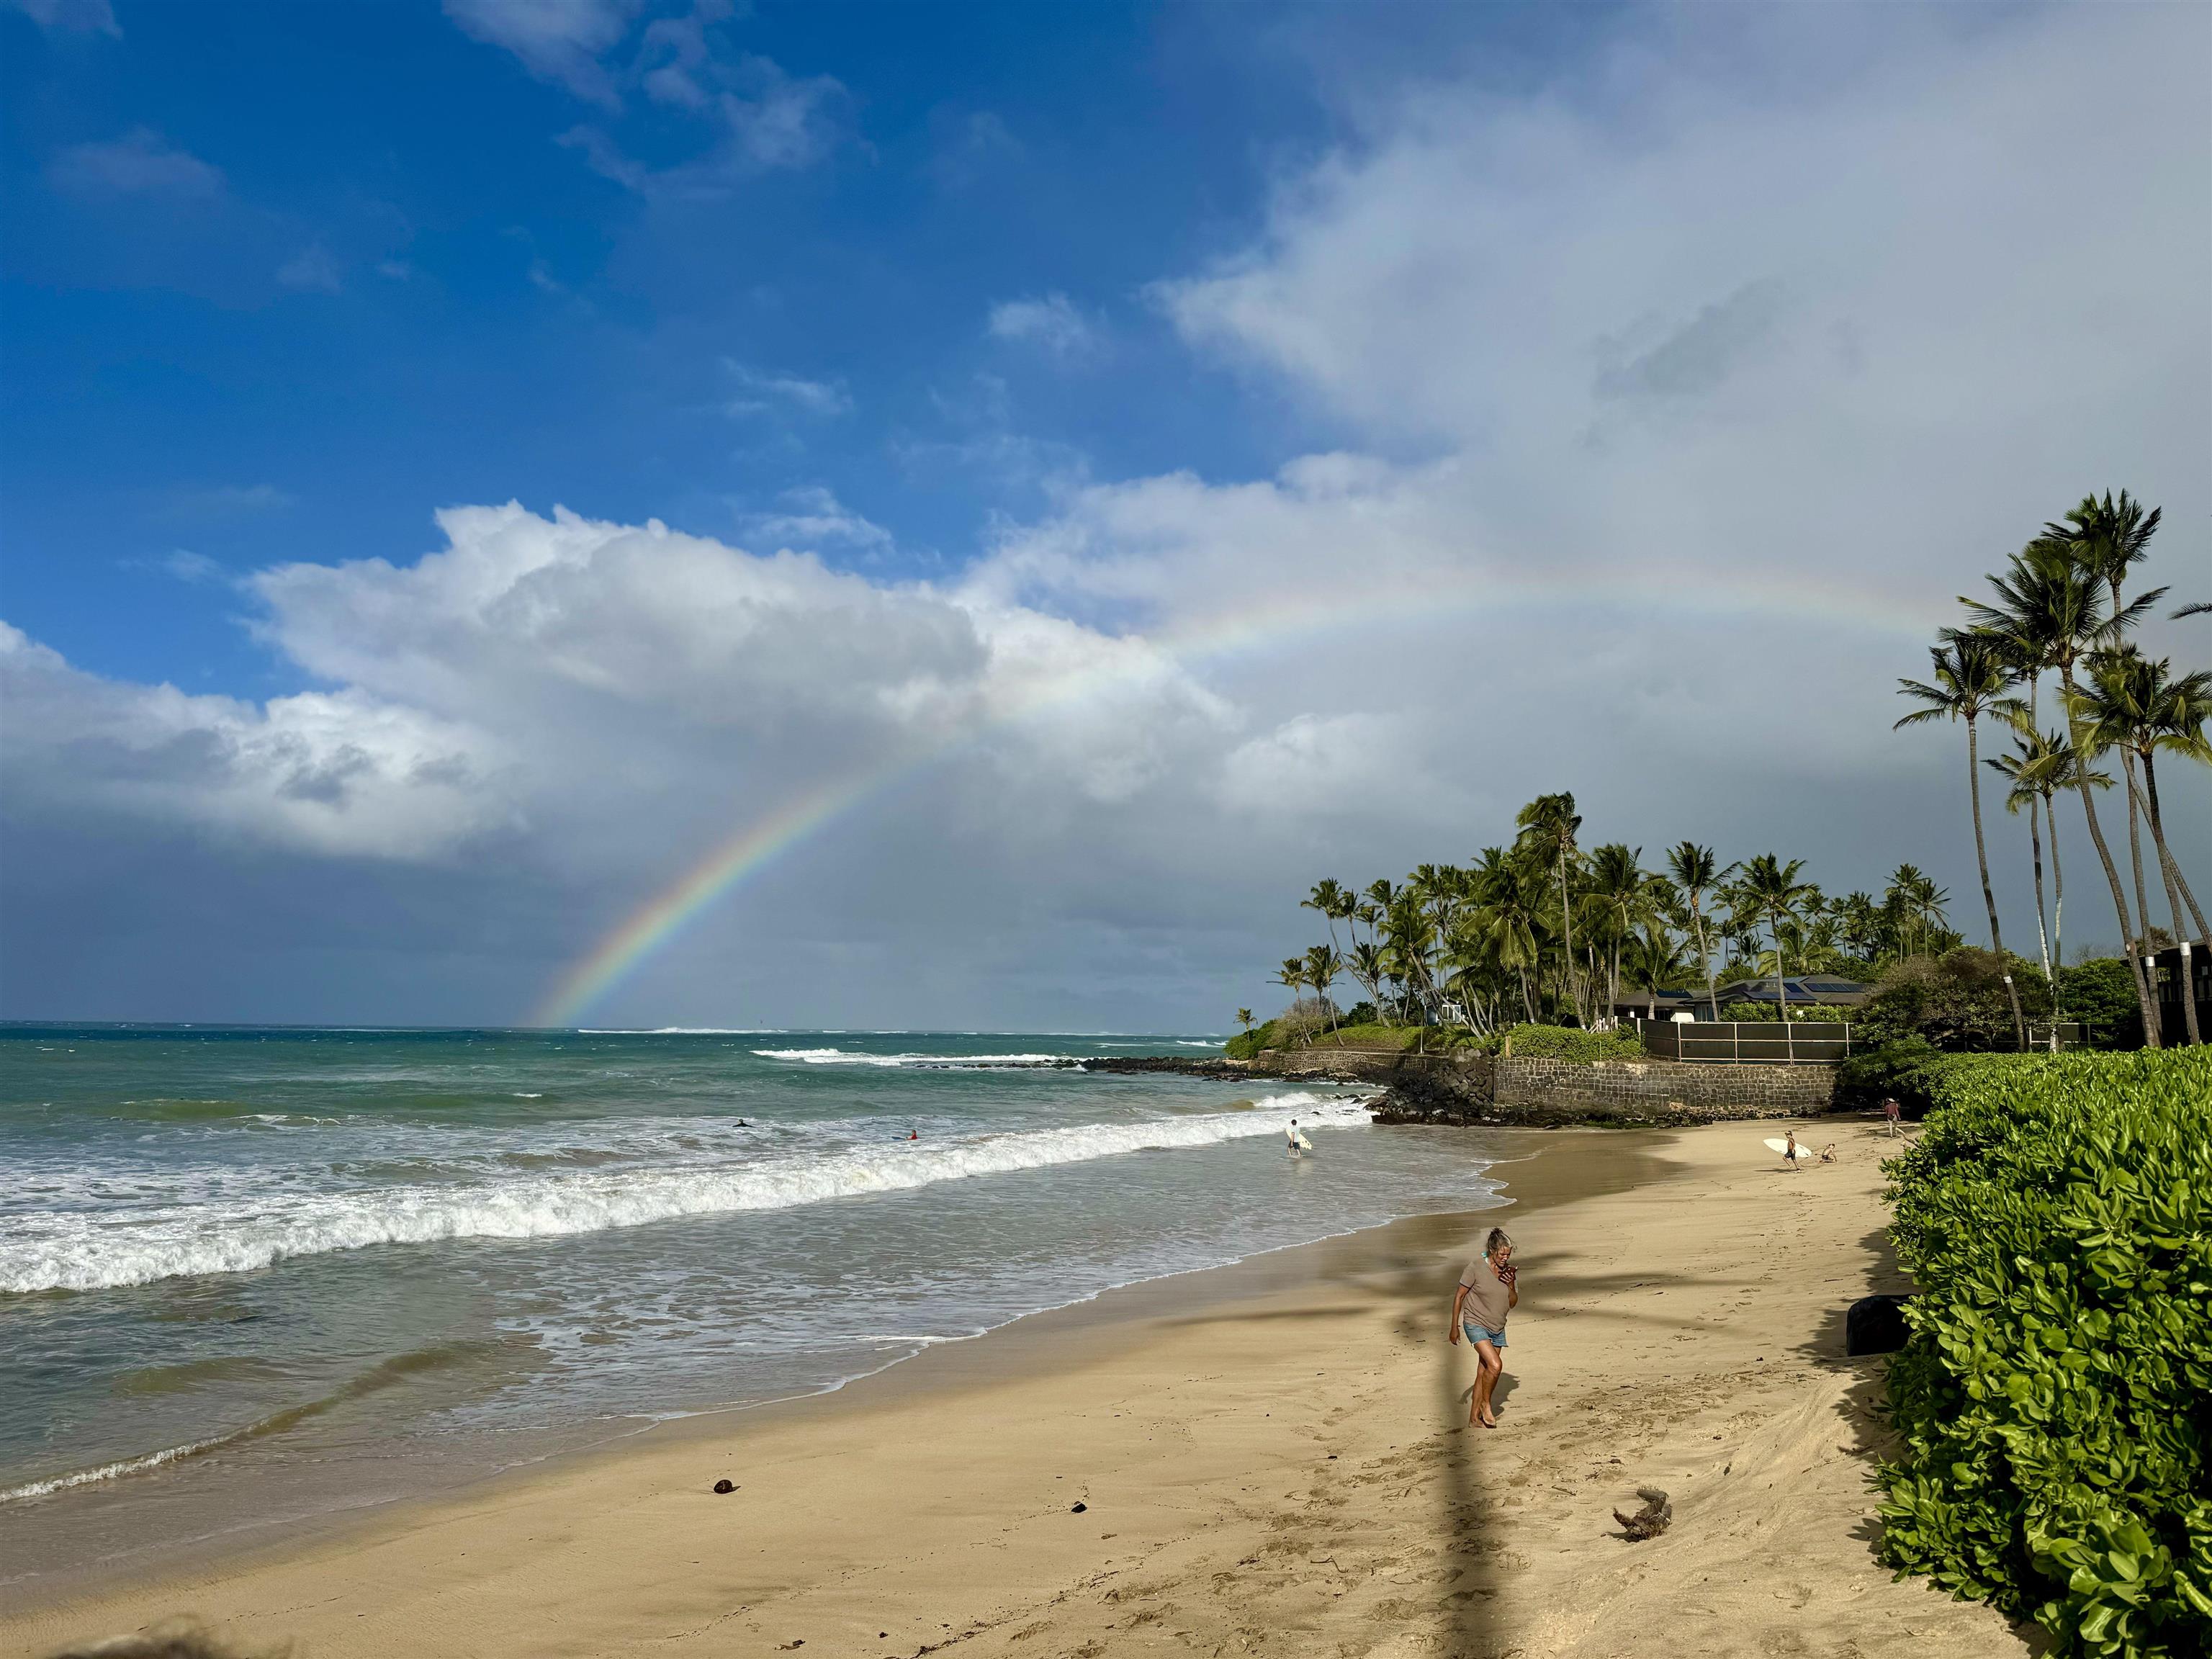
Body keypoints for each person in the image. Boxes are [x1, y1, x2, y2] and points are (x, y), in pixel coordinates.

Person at [1449, 1226, 1518, 1429]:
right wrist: (1454, 1327)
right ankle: (1486, 1405)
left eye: (1508, 1254)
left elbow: (1513, 1302)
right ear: (1492, 1250)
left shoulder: (1509, 1272)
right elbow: (1459, 1296)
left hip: (1497, 1326)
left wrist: (1512, 1285)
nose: (1506, 1258)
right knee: (1496, 1366)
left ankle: (1473, 1419)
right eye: (1502, 1254)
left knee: (1484, 1372)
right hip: (1475, 1323)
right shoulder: (1475, 1268)